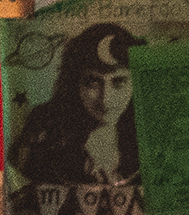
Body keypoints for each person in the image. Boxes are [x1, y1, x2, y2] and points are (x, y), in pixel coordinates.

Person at [9, 22, 139, 189]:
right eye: (92, 82)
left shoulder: (149, 132)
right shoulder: (45, 129)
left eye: (119, 82)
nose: (105, 99)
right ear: (74, 83)